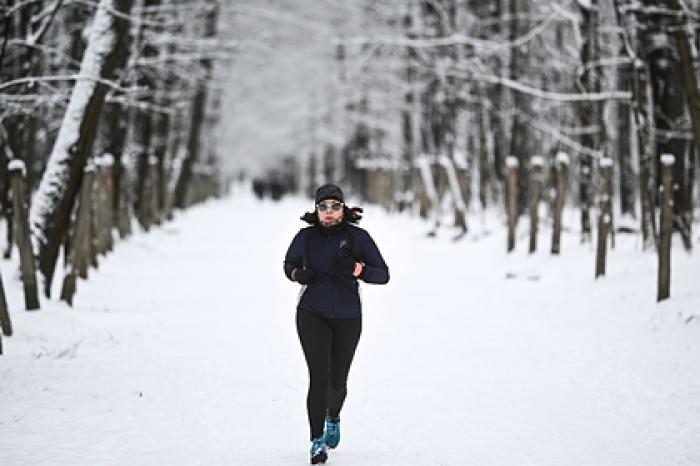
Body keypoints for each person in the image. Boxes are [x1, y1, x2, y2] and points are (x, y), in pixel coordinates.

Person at [283, 183, 389, 464]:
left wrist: (358, 269)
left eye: (335, 206)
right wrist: (297, 274)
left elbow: (383, 275)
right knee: (318, 378)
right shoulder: (305, 238)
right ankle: (316, 441)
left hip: (348, 317)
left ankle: (334, 416)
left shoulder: (358, 238)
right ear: (316, 210)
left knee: (337, 382)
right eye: (323, 207)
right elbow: (287, 264)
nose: (329, 213)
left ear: (343, 209)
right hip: (311, 313)